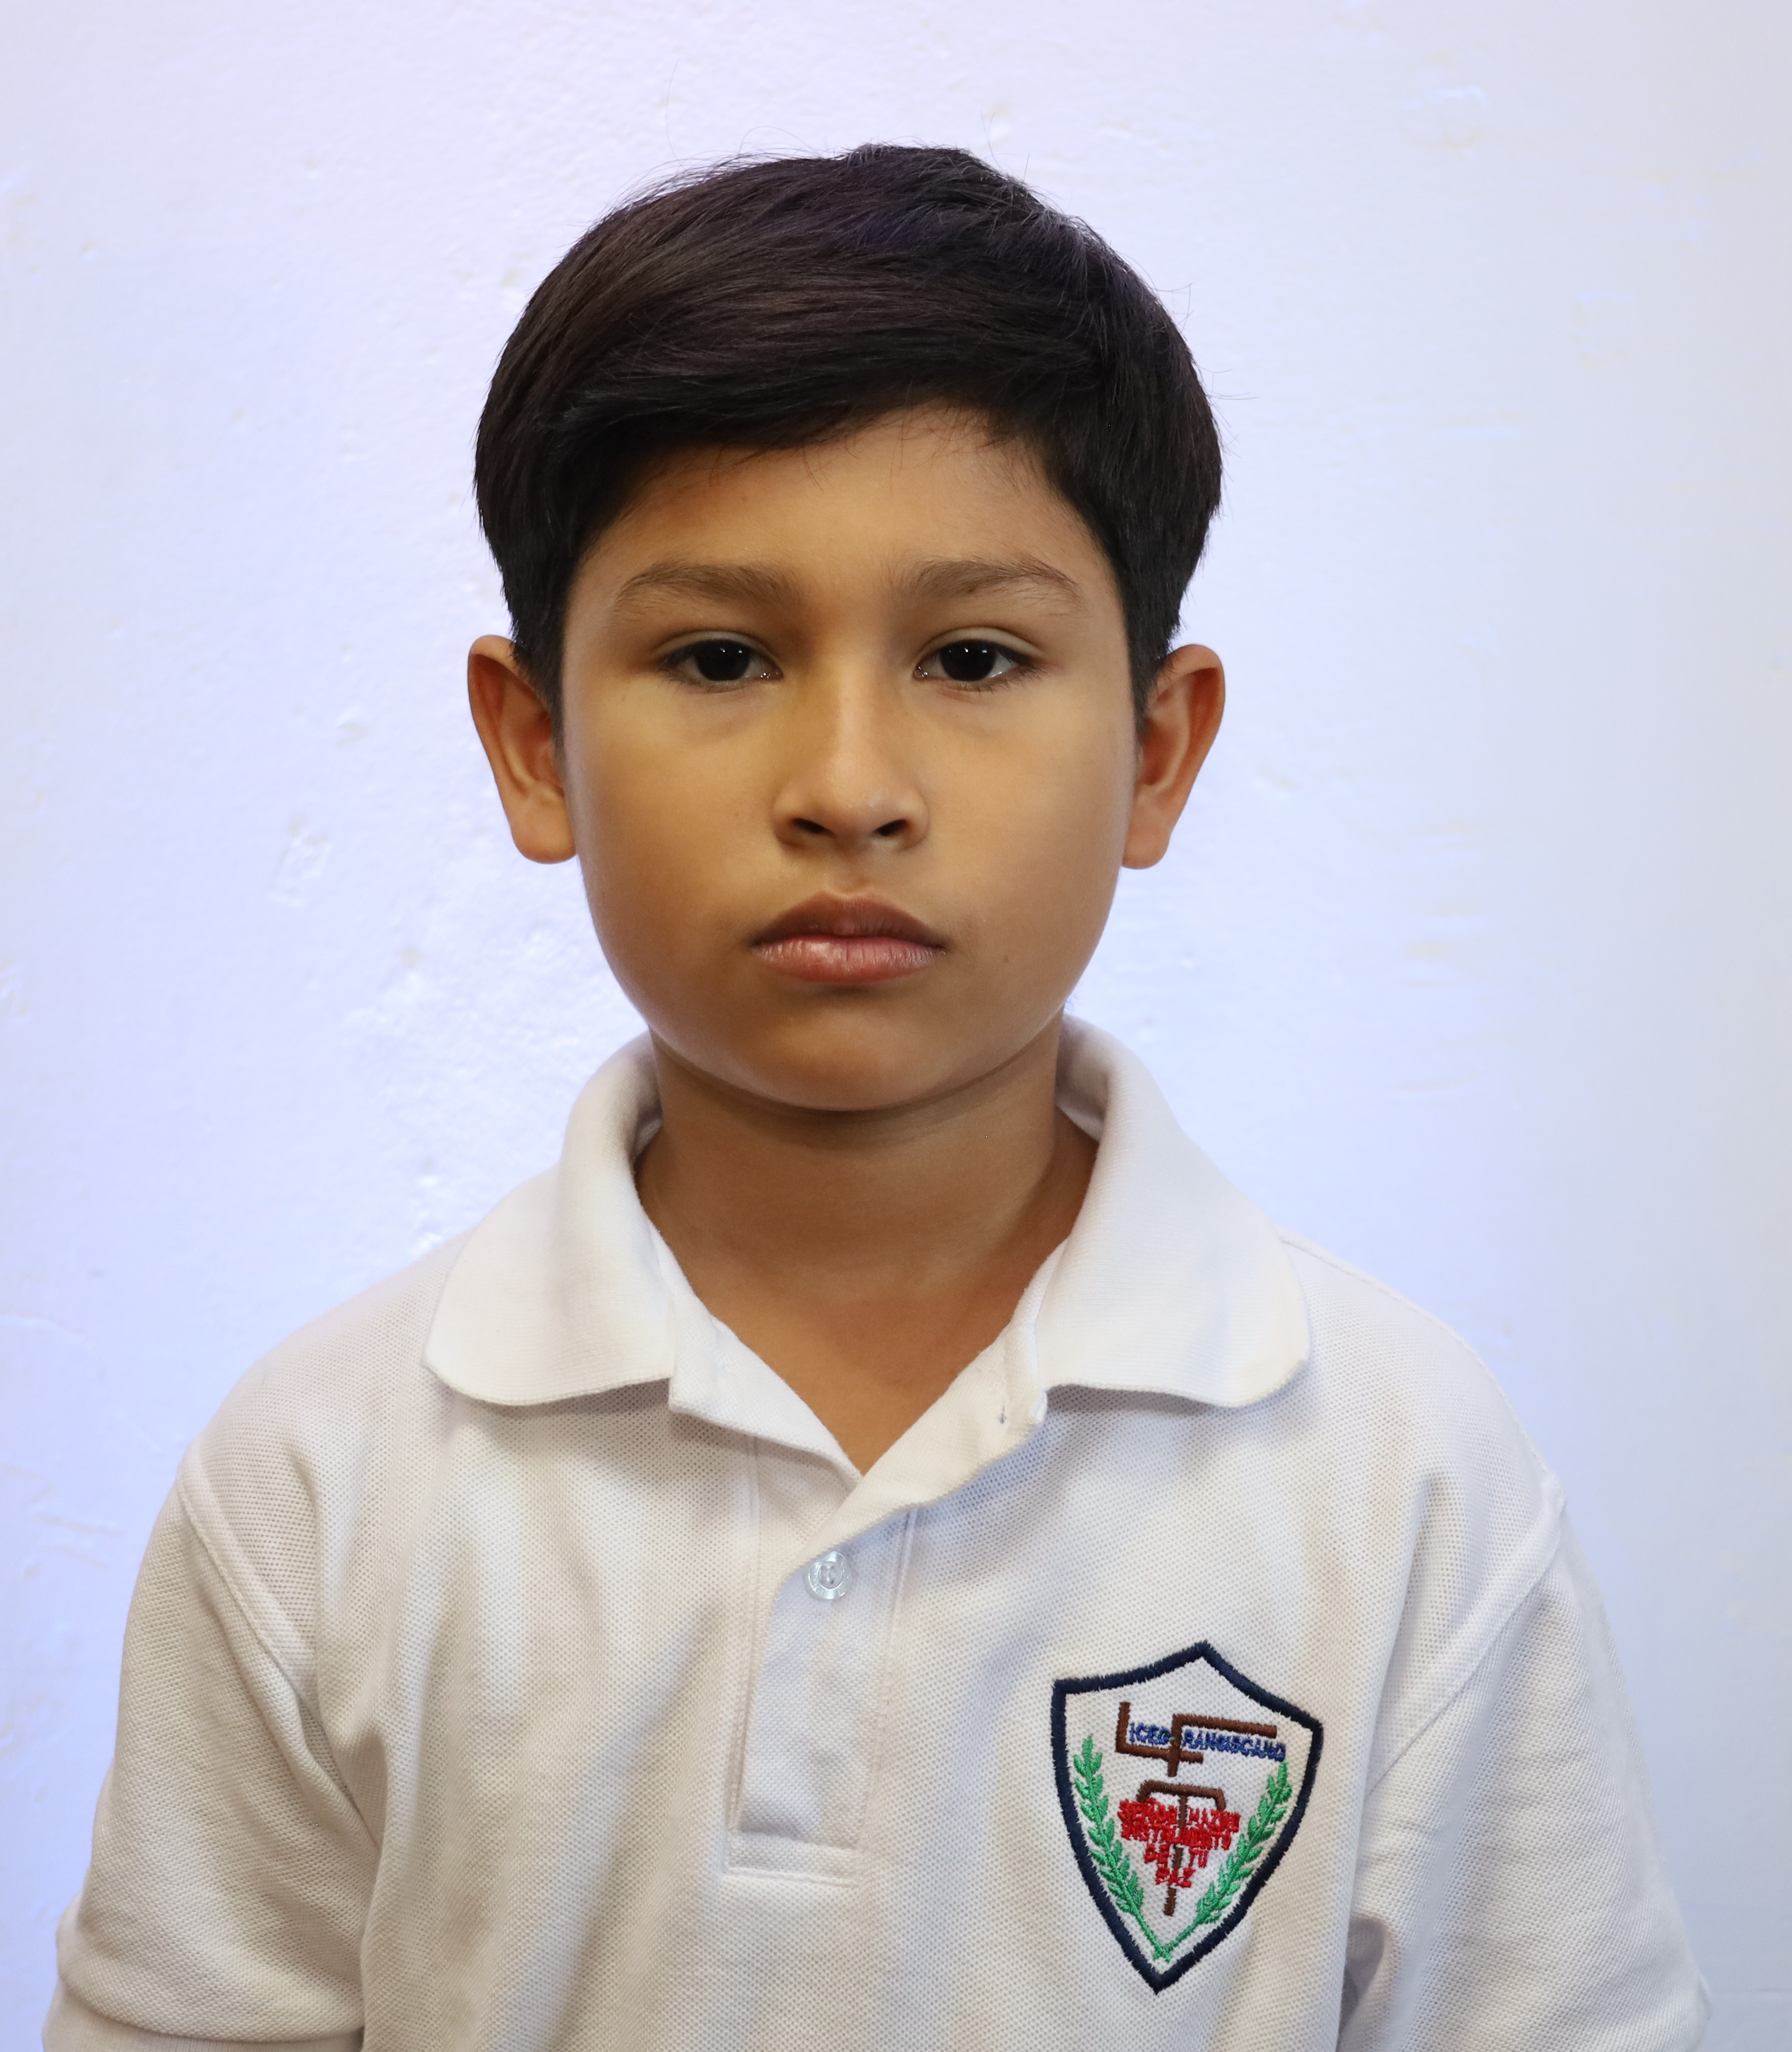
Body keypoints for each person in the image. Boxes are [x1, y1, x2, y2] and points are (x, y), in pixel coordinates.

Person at [46, 146, 1706, 2051]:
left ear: (1156, 754)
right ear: (536, 746)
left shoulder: (1396, 1472)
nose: (848, 784)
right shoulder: (318, 1478)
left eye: (972, 658)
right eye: (721, 656)